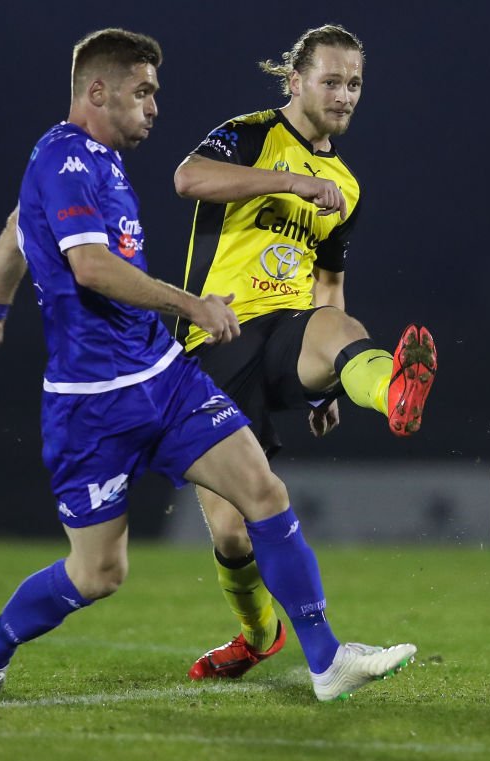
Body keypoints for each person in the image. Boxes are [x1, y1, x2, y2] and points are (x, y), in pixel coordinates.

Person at [0, 27, 415, 703]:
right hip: (91, 403)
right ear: (98, 91)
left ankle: (325, 658)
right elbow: (89, 267)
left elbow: (14, 233)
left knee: (263, 491)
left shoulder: (100, 165)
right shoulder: (64, 159)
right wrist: (191, 304)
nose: (155, 107)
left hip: (163, 376)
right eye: (143, 92)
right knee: (98, 574)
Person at [171, 24, 437, 681]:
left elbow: (331, 284)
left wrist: (330, 387)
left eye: (354, 84)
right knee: (232, 533)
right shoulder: (251, 133)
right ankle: (259, 634)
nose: (345, 94)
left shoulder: (345, 183)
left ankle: (390, 391)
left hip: (291, 329)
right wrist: (283, 183)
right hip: (216, 339)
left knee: (342, 328)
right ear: (296, 81)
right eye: (332, 80)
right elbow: (187, 178)